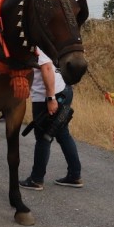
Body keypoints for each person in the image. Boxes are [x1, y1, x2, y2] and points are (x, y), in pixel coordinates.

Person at [19, 47, 82, 190]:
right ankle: (74, 175)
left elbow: (47, 68)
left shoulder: (37, 46)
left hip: (48, 96)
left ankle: (36, 179)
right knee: (62, 133)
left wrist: (50, 98)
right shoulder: (45, 41)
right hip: (63, 89)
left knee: (43, 137)